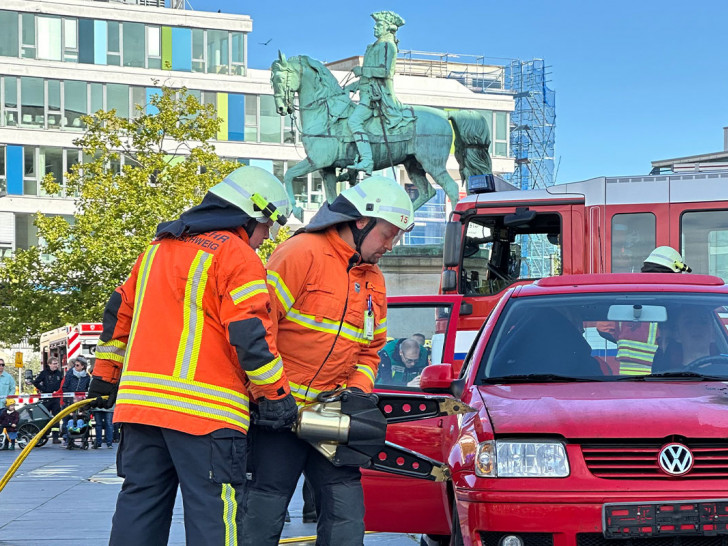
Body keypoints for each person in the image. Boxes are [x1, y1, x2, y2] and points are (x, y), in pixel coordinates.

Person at [86, 166, 297, 546]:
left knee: (140, 507)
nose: (266, 238)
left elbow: (119, 313)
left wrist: (104, 376)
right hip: (206, 416)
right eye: (268, 226)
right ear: (251, 214)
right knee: (214, 516)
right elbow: (250, 335)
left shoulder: (156, 250)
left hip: (141, 409)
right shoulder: (237, 255)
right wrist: (276, 396)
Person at [243, 175, 414, 546]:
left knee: (346, 514)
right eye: (388, 234)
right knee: (264, 511)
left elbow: (371, 349)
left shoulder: (375, 280)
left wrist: (356, 394)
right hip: (278, 412)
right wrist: (270, 395)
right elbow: (260, 331)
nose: (390, 245)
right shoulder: (301, 253)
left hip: (332, 417)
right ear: (361, 220)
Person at [597, 246, 691, 374]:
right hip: (668, 376)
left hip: (628, 379)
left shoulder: (627, 299)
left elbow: (603, 327)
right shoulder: (676, 304)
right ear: (674, 273)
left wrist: (623, 338)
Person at [345, 11, 406, 174]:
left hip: (378, 98)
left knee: (354, 122)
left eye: (379, 25)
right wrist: (352, 86)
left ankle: (367, 160)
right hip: (367, 93)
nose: (375, 27)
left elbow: (385, 72)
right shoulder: (373, 47)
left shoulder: (388, 46)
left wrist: (362, 70)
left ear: (388, 29)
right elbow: (369, 78)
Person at [653, 305, 719, 372]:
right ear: (677, 335)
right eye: (689, 322)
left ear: (713, 334)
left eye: (703, 322)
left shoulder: (725, 371)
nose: (696, 327)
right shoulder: (669, 378)